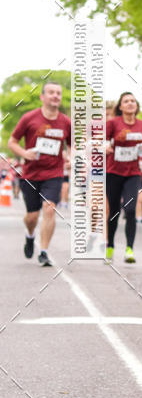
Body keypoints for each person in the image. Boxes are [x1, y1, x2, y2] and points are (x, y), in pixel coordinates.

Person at [8, 82, 71, 266]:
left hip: (54, 173)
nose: (55, 96)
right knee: (32, 217)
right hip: (31, 174)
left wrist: (71, 158)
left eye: (58, 93)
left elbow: (72, 144)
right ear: (42, 97)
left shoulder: (66, 122)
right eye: (51, 92)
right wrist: (24, 153)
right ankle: (30, 235)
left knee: (50, 208)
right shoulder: (29, 118)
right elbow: (12, 142)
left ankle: (44, 252)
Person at [105, 92, 142, 263]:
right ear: (121, 106)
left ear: (136, 105)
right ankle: (110, 246)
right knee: (114, 211)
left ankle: (129, 249)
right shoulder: (113, 123)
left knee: (131, 209)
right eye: (126, 101)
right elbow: (101, 141)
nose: (130, 103)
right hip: (113, 172)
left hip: (133, 173)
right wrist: (105, 147)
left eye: (133, 101)